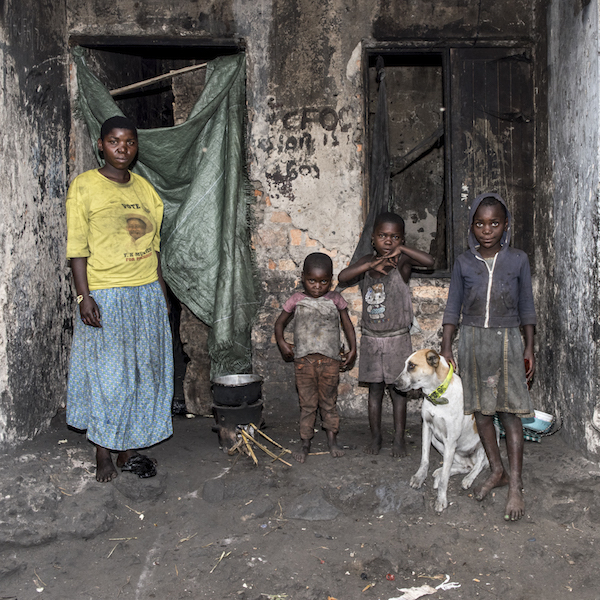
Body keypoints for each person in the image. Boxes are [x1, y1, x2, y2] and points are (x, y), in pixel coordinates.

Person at [66, 116, 173, 482]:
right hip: (106, 294)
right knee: (109, 378)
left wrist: (161, 296)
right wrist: (84, 297)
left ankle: (127, 447)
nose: (122, 148)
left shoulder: (145, 190)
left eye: (129, 142)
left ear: (136, 147)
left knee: (140, 375)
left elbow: (154, 249)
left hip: (145, 294)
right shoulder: (85, 187)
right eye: (114, 141)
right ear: (101, 145)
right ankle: (103, 451)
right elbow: (77, 249)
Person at [440, 193, 536, 521]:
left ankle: (516, 485)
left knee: (509, 413)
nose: (487, 230)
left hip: (507, 340)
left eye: (494, 223)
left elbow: (526, 306)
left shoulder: (518, 260)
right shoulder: (464, 262)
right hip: (472, 340)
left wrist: (529, 346)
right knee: (481, 412)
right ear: (472, 226)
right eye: (480, 224)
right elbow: (453, 307)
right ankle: (497, 470)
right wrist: (447, 347)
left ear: (505, 225)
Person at [338, 212, 434, 457]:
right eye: (382, 236)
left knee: (399, 392)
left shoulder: (402, 262)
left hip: (397, 339)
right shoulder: (367, 261)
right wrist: (370, 265)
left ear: (402, 239)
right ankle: (376, 436)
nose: (388, 241)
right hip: (371, 339)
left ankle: (399, 438)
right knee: (375, 391)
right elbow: (342, 277)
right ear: (373, 238)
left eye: (395, 237)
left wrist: (403, 250)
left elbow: (429, 261)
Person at [274, 252, 357, 463]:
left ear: (331, 280)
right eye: (312, 281)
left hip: (330, 362)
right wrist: (282, 342)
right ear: (303, 277)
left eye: (323, 282)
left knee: (329, 403)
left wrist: (353, 348)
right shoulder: (297, 300)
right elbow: (279, 323)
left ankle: (332, 440)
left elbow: (348, 325)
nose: (318, 286)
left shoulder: (335, 299)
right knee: (308, 405)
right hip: (304, 363)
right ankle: (305, 443)